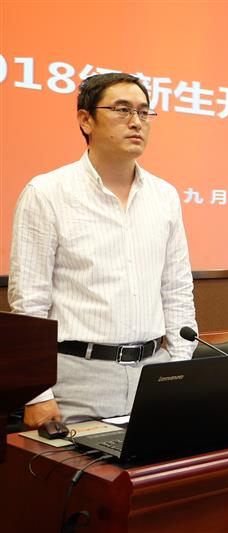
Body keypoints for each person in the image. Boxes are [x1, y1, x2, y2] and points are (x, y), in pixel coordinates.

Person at [8, 73, 197, 427]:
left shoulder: (165, 196)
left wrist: (179, 367)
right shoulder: (47, 193)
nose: (136, 121)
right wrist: (38, 394)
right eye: (122, 110)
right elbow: (29, 304)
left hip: (154, 372)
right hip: (77, 377)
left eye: (144, 112)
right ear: (86, 120)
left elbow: (176, 289)